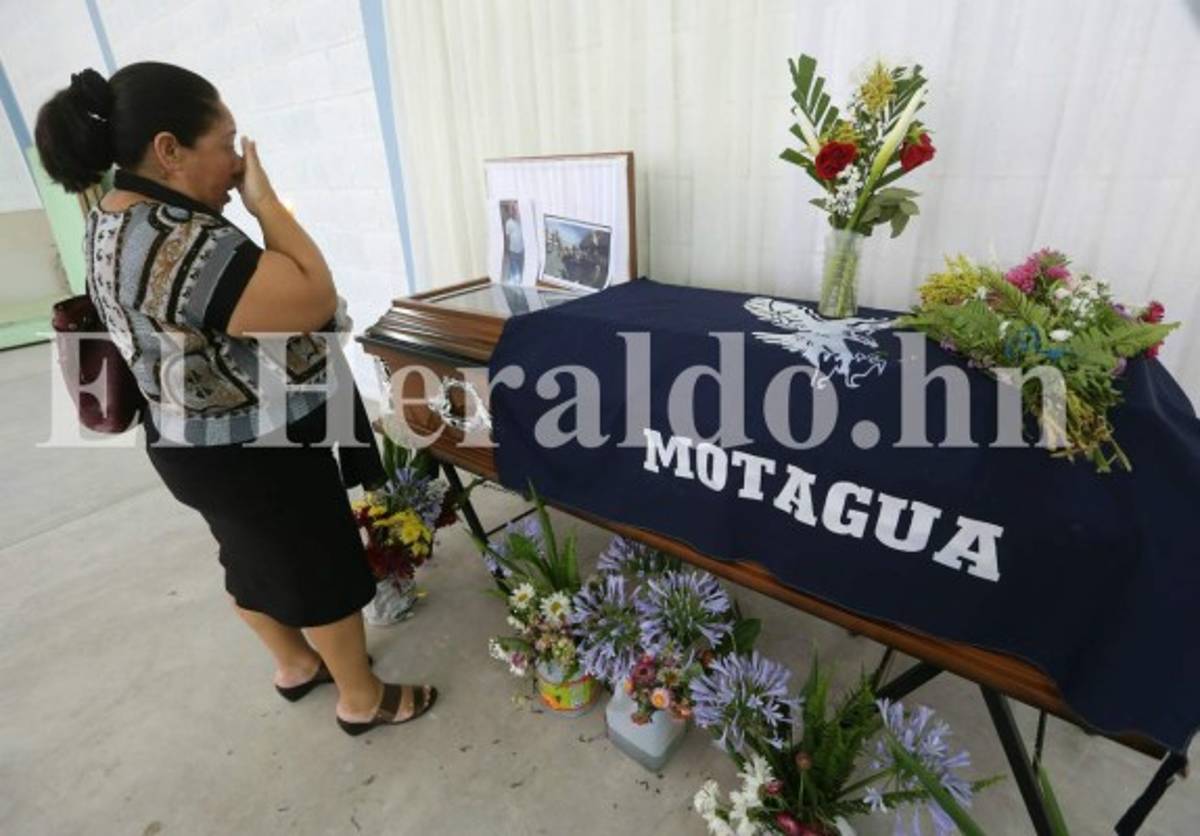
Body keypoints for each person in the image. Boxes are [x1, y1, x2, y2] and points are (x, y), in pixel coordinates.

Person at [35, 63, 436, 735]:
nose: (238, 158)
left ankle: (295, 666)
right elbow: (309, 297)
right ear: (170, 150)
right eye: (227, 141)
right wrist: (268, 205)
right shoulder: (175, 240)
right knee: (320, 569)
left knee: (249, 557)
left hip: (188, 442)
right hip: (253, 448)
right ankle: (361, 699)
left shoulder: (111, 216)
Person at [501, 201, 524, 284]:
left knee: (520, 270)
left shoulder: (523, 221)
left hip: (521, 250)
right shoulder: (509, 223)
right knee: (515, 271)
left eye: (516, 209)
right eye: (512, 209)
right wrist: (507, 250)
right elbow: (507, 238)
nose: (514, 211)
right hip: (513, 251)